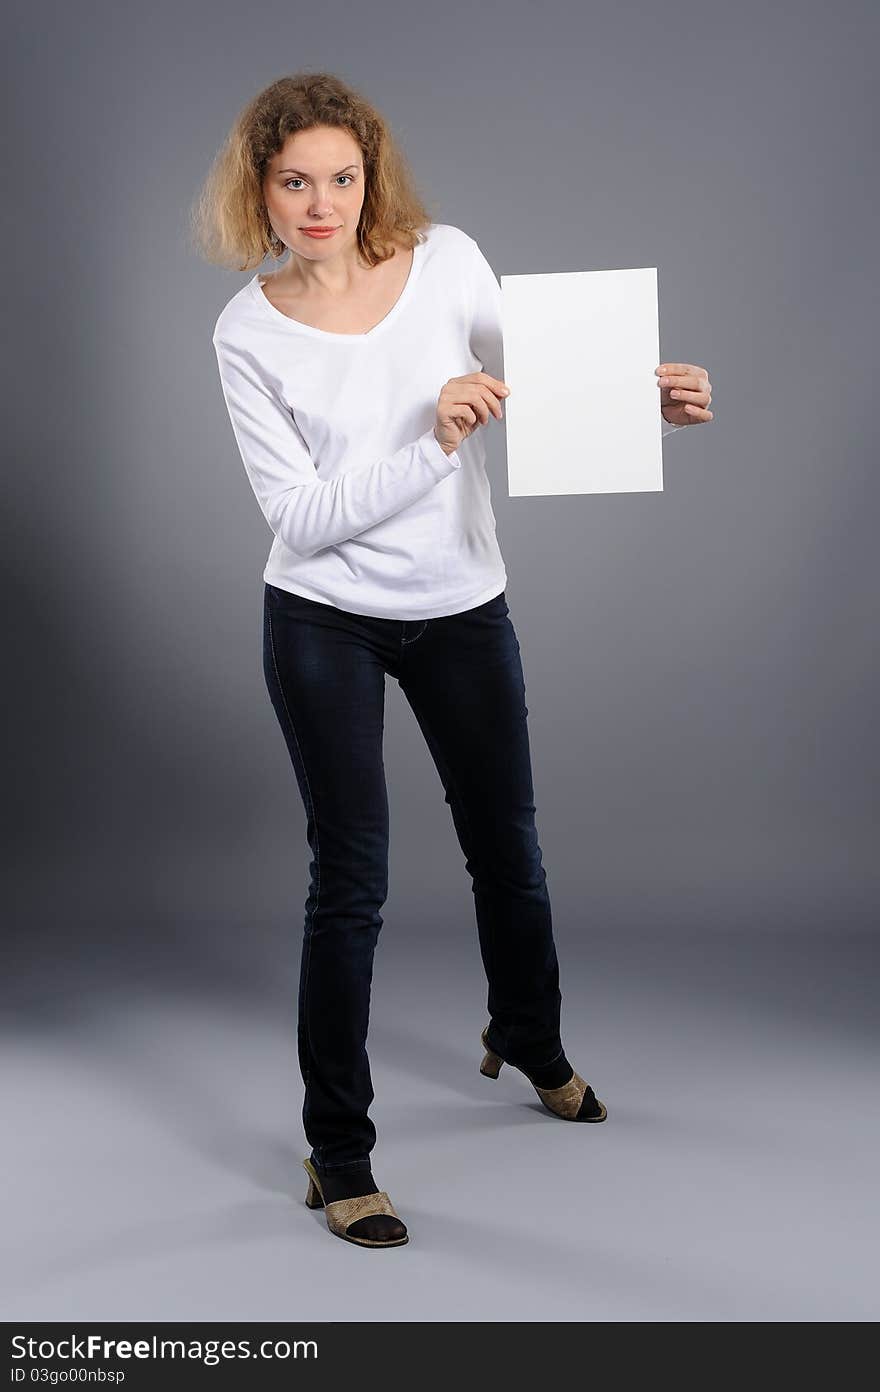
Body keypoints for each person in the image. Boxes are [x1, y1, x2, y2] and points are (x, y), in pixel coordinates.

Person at [191, 71, 714, 1250]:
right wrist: (435, 440)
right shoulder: (248, 332)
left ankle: (528, 1038)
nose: (321, 204)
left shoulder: (445, 259)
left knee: (507, 848)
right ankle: (339, 1152)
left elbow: (542, 373)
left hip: (459, 599)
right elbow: (303, 517)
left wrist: (648, 397)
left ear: (369, 175)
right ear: (259, 191)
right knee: (352, 881)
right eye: (294, 183)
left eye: (341, 177)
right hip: (322, 613)